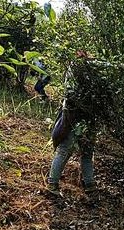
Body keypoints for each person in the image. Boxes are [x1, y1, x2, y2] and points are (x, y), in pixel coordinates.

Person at [46, 52, 97, 196]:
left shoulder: (80, 69)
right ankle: (55, 184)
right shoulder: (81, 69)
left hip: (80, 117)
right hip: (80, 117)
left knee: (78, 151)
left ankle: (88, 184)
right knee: (73, 151)